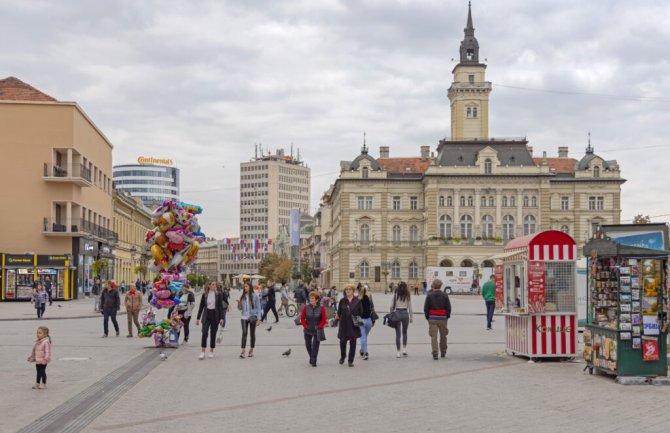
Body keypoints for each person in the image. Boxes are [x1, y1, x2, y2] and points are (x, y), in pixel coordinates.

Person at [423, 278, 451, 360]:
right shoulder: (445, 295)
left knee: (433, 337)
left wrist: (427, 317)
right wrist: (447, 316)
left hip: (432, 318)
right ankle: (443, 352)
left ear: (433, 285)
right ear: (441, 286)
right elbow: (448, 307)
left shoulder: (429, 295)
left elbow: (426, 308)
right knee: (443, 336)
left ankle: (435, 353)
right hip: (443, 318)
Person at [196, 281, 225, 359]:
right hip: (206, 315)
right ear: (209, 286)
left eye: (215, 285)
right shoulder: (204, 295)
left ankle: (211, 351)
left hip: (215, 316)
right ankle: (202, 351)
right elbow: (201, 306)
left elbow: (220, 307)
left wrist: (222, 318)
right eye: (213, 284)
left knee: (213, 334)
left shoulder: (218, 294)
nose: (214, 286)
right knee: (204, 333)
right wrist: (198, 318)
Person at [336, 284, 362, 367]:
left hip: (353, 325)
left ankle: (350, 360)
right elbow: (339, 313)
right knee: (342, 342)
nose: (348, 291)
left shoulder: (357, 301)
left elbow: (361, 312)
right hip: (344, 324)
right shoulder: (342, 301)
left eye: (350, 289)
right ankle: (343, 356)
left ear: (353, 291)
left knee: (353, 342)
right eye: (346, 289)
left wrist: (355, 315)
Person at [301, 291, 327, 367]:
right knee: (308, 345)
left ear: (316, 300)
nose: (311, 300)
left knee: (315, 345)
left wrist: (320, 326)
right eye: (310, 298)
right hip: (307, 329)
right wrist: (305, 326)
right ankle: (312, 357)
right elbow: (302, 318)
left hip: (317, 330)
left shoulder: (321, 308)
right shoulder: (306, 307)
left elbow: (324, 319)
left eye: (312, 298)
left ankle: (313, 360)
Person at [238, 282, 261, 358]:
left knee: (252, 334)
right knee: (244, 333)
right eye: (244, 287)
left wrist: (258, 319)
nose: (245, 288)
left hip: (252, 316)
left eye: (247, 286)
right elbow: (240, 308)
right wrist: (239, 304)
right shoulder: (243, 296)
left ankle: (251, 350)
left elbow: (258, 307)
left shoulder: (255, 296)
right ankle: (243, 351)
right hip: (244, 317)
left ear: (250, 287)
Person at [391, 281, 413, 358]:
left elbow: (391, 306)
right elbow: (410, 307)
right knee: (405, 332)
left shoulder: (395, 295)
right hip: (405, 313)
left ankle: (398, 352)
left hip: (397, 313)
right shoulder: (407, 295)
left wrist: (391, 314)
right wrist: (411, 317)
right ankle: (404, 349)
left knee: (398, 334)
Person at [358, 285, 375, 360]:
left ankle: (364, 352)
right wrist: (373, 320)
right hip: (369, 321)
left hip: (361, 321)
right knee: (364, 337)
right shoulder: (368, 299)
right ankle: (363, 351)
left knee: (363, 338)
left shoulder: (357, 300)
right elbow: (371, 309)